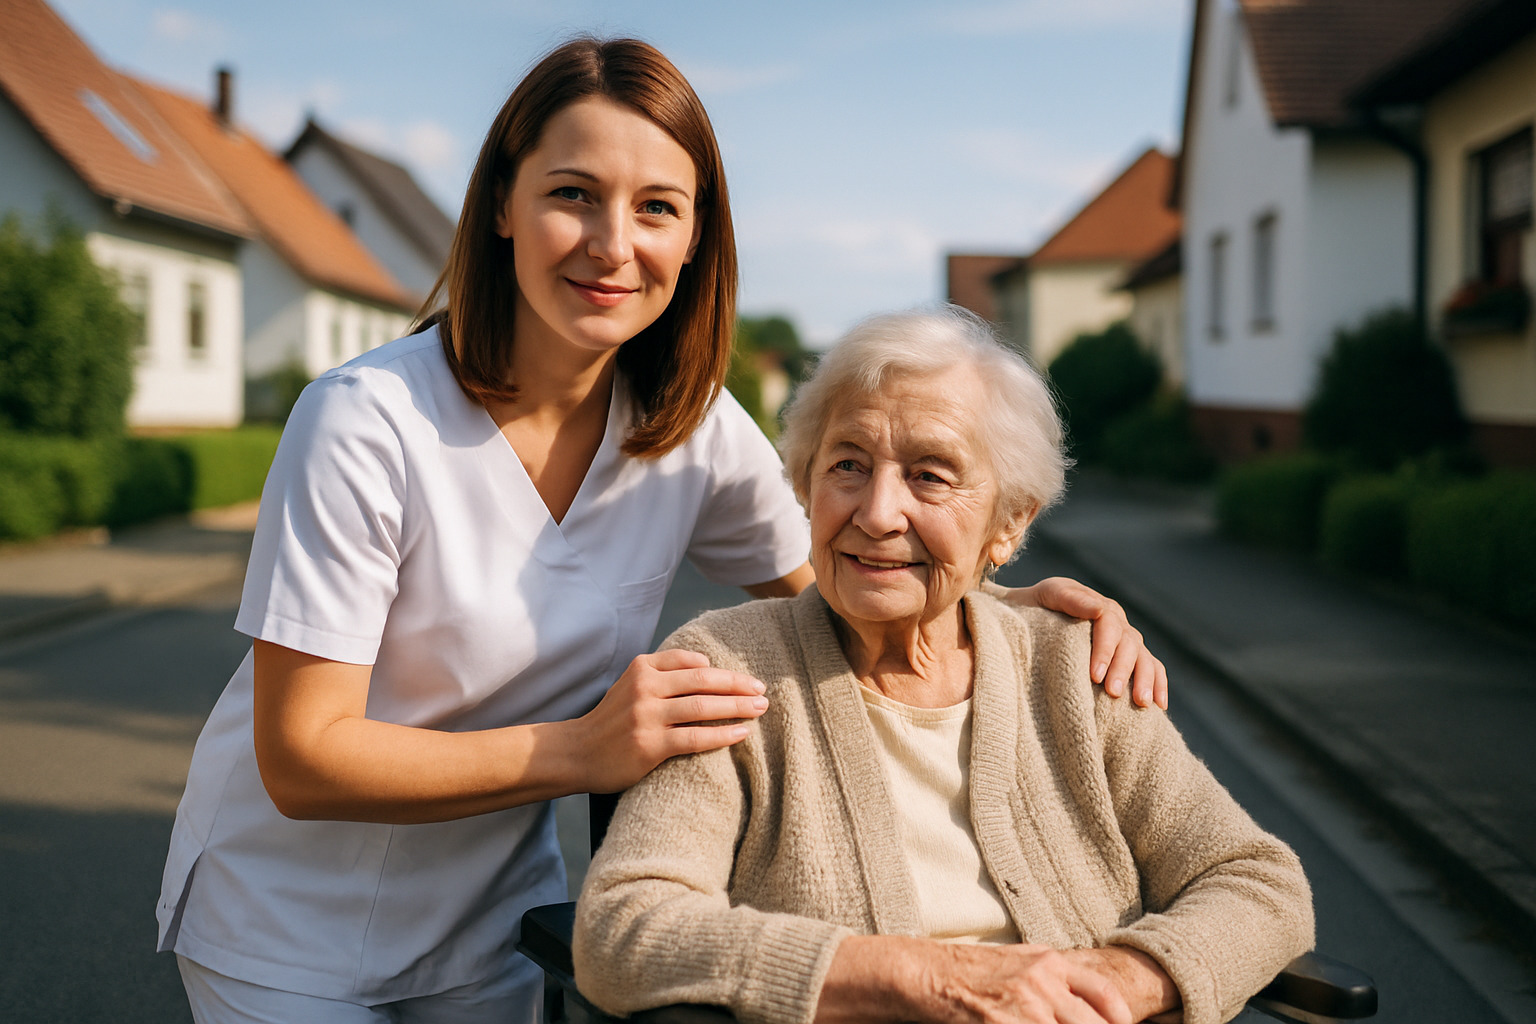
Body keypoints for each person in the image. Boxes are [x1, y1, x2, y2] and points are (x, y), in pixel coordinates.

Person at [157, 39, 1164, 1024]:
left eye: (656, 210)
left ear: (692, 242)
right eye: (572, 194)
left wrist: (1012, 609)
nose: (612, 243)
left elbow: (844, 577)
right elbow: (301, 755)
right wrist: (583, 748)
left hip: (491, 928)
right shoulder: (365, 419)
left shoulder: (690, 431)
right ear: (504, 205)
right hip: (284, 930)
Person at [574, 307, 1314, 1024]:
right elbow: (625, 927)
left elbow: (1259, 881)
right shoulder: (725, 667)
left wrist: (1121, 982)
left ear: (1010, 522)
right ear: (804, 484)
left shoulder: (1070, 665)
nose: (877, 512)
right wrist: (928, 980)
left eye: (929, 475)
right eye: (848, 465)